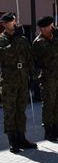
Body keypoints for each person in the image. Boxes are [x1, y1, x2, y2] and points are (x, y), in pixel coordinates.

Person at [0, 13, 38, 153]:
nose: (14, 23)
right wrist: (15, 39)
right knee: (10, 111)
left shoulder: (22, 39)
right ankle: (12, 140)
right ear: (4, 24)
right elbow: (4, 55)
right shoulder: (2, 39)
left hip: (22, 80)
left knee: (21, 111)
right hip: (9, 82)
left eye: (14, 20)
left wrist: (33, 76)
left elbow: (29, 58)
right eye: (10, 21)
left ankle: (22, 137)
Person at [32, 16, 58, 141]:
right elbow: (48, 57)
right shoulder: (39, 42)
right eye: (50, 26)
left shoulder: (55, 39)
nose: (52, 28)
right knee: (49, 104)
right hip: (48, 78)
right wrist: (57, 38)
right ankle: (48, 131)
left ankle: (56, 127)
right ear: (43, 28)